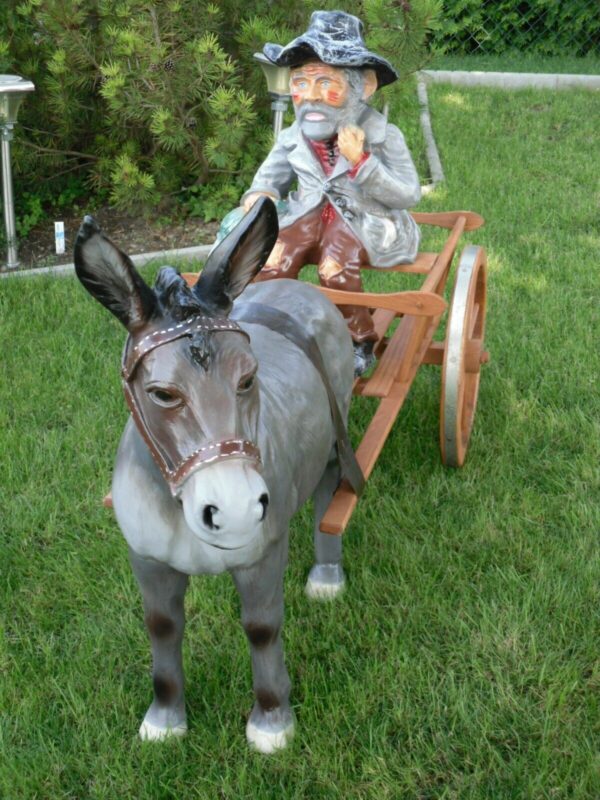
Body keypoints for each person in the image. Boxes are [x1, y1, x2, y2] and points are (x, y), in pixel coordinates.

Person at [242, 10, 422, 375]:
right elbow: (268, 179)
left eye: (326, 83)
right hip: (307, 215)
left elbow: (408, 193)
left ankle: (360, 342)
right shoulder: (293, 137)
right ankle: (275, 333)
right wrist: (259, 196)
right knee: (273, 261)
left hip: (363, 218)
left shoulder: (384, 135)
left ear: (364, 87)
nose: (311, 97)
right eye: (301, 83)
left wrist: (362, 163)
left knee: (335, 268)